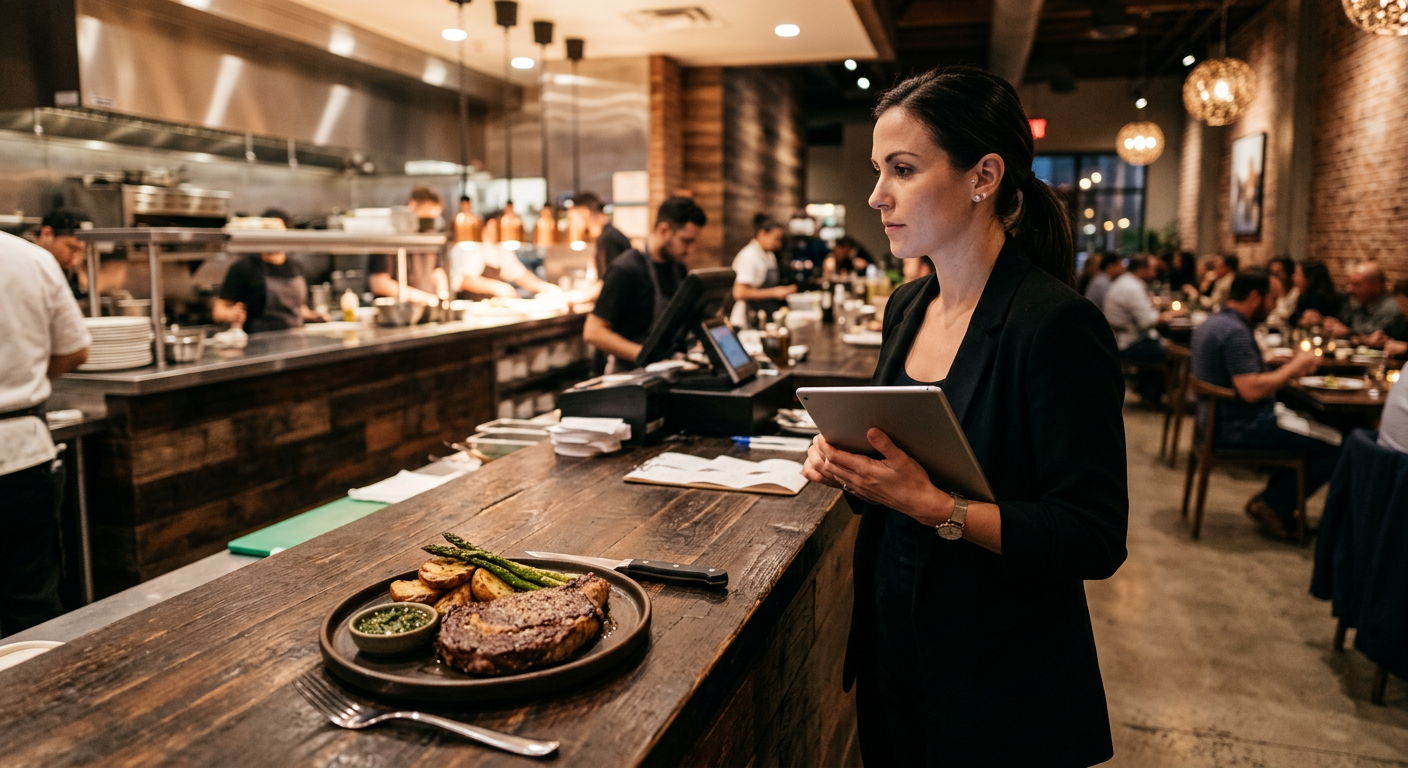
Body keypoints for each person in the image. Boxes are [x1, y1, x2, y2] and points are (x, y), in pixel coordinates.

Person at [801, 66, 1128, 767]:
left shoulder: (1055, 326)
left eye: (903, 169)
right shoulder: (905, 307)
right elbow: (894, 481)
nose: (876, 195)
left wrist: (938, 507)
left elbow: (1093, 536)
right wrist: (848, 467)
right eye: (877, 169)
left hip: (1000, 685)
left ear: (983, 175)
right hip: (893, 653)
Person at [1189, 270, 1338, 541]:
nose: (1273, 308)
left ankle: (1273, 501)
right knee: (1335, 446)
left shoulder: (1216, 322)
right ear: (1255, 297)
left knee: (1310, 430)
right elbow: (1250, 390)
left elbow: (1234, 375)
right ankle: (1273, 504)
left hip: (1212, 421)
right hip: (1239, 427)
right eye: (1272, 299)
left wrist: (1269, 366)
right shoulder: (1235, 332)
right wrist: (1295, 366)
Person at [0, 230, 91, 634]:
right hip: (23, 453)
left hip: (23, 450)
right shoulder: (29, 258)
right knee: (30, 604)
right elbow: (75, 349)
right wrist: (27, 377)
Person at [583, 196, 707, 372]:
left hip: (666, 371)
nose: (690, 250)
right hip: (628, 376)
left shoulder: (677, 268)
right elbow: (593, 332)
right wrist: (644, 354)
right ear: (664, 230)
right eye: (686, 241)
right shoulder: (626, 269)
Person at [213, 220, 328, 332]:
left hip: (296, 340)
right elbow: (218, 311)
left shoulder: (296, 266)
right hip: (260, 343)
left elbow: (298, 309)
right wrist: (231, 315)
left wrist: (314, 316)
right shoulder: (245, 267)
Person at [1104, 254, 1177, 403]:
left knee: (1164, 344)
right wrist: (1172, 314)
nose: (1155, 272)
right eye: (1153, 269)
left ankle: (1148, 393)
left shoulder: (1126, 282)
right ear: (1142, 269)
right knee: (1174, 352)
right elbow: (1147, 322)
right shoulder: (1132, 287)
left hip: (1121, 339)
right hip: (1128, 344)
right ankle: (1158, 397)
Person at [368, 186, 451, 305]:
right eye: (426, 219)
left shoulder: (430, 237)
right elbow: (378, 283)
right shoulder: (390, 237)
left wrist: (442, 293)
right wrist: (423, 298)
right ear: (412, 206)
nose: (430, 225)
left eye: (433, 220)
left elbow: (436, 270)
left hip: (428, 310)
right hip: (398, 311)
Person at [729, 215, 796, 328]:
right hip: (747, 319)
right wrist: (774, 292)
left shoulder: (769, 255)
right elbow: (739, 292)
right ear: (762, 234)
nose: (778, 244)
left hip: (764, 315)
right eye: (776, 239)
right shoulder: (749, 256)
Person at [449, 240, 558, 299]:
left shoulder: (501, 248)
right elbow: (462, 280)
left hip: (494, 315)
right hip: (470, 314)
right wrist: (496, 287)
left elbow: (520, 274)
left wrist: (545, 287)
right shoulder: (471, 246)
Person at [1326, 261, 1399, 339]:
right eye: (1349, 283)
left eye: (1356, 284)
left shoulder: (1390, 308)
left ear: (1375, 285)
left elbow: (1376, 339)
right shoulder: (1360, 302)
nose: (1349, 289)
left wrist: (1348, 333)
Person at [1291, 259, 1339, 327]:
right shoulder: (1303, 296)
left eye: (1297, 274)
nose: (1293, 278)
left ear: (1310, 279)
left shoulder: (1319, 299)